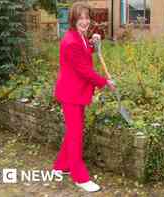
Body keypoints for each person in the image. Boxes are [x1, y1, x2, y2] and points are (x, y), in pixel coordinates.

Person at [52, 2, 115, 192]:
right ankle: (79, 177)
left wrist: (93, 43)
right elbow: (85, 70)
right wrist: (105, 82)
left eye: (87, 18)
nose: (85, 21)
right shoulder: (70, 41)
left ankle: (60, 167)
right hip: (71, 95)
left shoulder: (78, 37)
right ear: (73, 19)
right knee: (76, 134)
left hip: (76, 93)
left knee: (74, 131)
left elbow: (85, 51)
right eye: (81, 18)